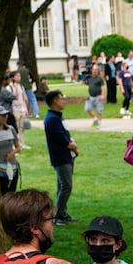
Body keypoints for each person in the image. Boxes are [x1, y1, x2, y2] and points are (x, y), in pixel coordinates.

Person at [43, 90, 78, 224]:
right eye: (61, 98)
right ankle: (58, 216)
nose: (63, 100)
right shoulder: (52, 119)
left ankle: (62, 213)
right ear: (54, 101)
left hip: (66, 156)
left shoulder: (57, 117)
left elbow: (66, 134)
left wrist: (73, 145)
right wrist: (73, 147)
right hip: (61, 157)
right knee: (66, 186)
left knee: (62, 186)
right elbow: (61, 139)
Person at [0, 103, 22, 194]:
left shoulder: (11, 129)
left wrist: (12, 153)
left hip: (12, 165)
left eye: (6, 115)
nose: (5, 117)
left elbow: (18, 147)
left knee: (11, 193)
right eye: (2, 115)